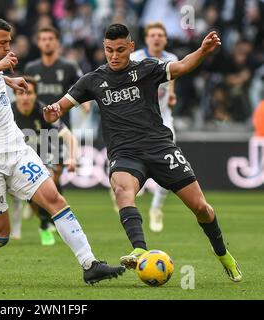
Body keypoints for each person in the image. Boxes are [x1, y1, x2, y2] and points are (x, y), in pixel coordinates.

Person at [43, 24, 242, 282]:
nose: (114, 56)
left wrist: (203, 51)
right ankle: (139, 248)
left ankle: (223, 254)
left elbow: (181, 66)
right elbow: (61, 105)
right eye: (109, 50)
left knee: (201, 208)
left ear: (131, 48)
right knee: (122, 190)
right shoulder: (93, 80)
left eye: (120, 50)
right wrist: (54, 111)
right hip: (124, 153)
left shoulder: (147, 68)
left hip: (159, 148)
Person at [0, 16, 125, 284]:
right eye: (2, 42)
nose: (9, 48)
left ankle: (90, 264)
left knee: (55, 200)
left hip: (15, 148)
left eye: (9, 42)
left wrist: (8, 80)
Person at [112, 21, 179, 233]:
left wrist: (172, 96)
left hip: (163, 121)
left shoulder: (171, 59)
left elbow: (171, 82)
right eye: (153, 35)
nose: (157, 38)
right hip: (137, 121)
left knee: (169, 163)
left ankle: (156, 208)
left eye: (160, 35)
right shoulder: (135, 58)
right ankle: (125, 190)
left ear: (165, 39)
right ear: (147, 38)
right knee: (124, 157)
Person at [24, 27, 90, 208]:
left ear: (57, 42)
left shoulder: (68, 67)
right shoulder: (31, 68)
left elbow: (82, 87)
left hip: (60, 127)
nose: (47, 42)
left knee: (56, 172)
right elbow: (24, 96)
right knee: (37, 173)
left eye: (50, 39)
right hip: (34, 127)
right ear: (38, 43)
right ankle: (45, 212)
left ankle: (48, 208)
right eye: (43, 39)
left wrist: (86, 103)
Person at [11, 76, 78, 245]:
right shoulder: (7, 113)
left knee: (48, 177)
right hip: (18, 156)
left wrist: (72, 158)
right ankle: (44, 223)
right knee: (33, 189)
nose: (25, 97)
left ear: (35, 95)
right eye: (20, 93)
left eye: (29, 93)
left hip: (46, 151)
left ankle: (48, 219)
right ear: (15, 95)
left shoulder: (43, 111)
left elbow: (69, 136)